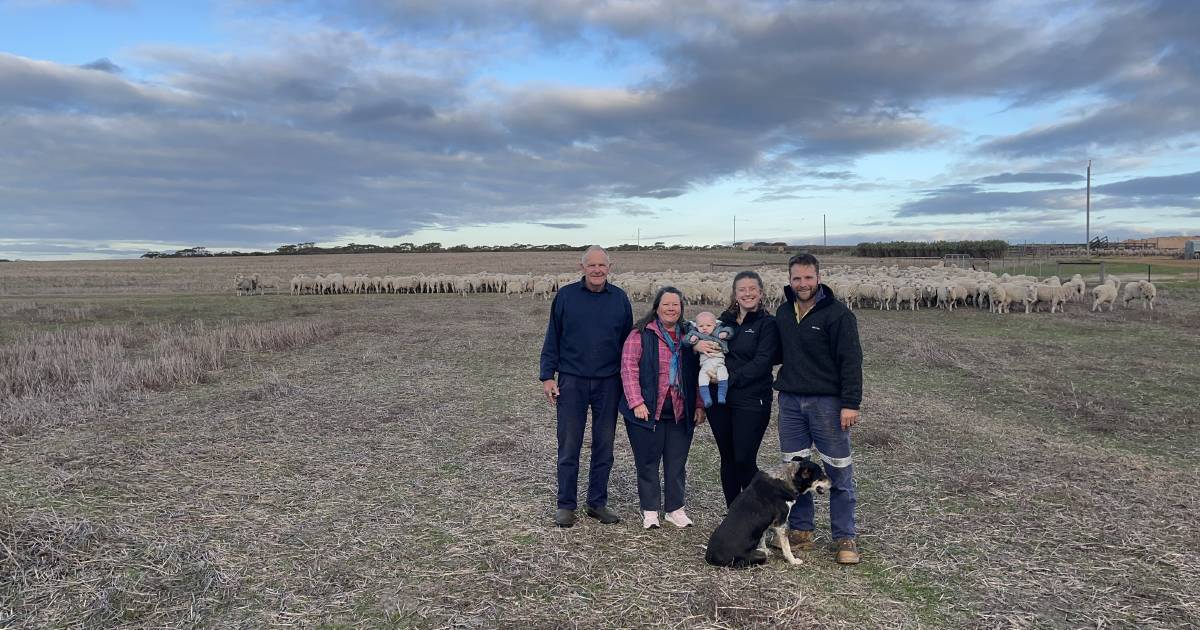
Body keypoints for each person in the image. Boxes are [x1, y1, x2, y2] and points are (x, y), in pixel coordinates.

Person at [773, 253, 863, 564]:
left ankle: (845, 536)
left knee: (838, 468)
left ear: (818, 278)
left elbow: (851, 361)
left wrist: (850, 403)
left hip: (827, 402)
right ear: (790, 280)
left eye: (808, 278)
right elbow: (771, 350)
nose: (802, 283)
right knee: (795, 469)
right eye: (797, 278)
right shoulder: (784, 312)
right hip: (791, 402)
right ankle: (801, 531)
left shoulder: (838, 315)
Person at [539, 246, 633, 528]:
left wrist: (630, 380)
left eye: (601, 265)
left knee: (604, 445)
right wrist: (547, 376)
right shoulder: (566, 296)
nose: (596, 270)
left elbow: (628, 344)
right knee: (569, 444)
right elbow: (552, 336)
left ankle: (597, 502)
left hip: (609, 382)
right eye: (591, 265)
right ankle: (566, 504)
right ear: (582, 267)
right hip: (572, 380)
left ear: (609, 267)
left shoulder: (619, 299)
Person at [617, 287, 706, 530]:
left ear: (681, 308)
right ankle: (650, 510)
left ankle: (675, 509)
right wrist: (636, 402)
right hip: (646, 410)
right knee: (647, 462)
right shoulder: (641, 333)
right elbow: (628, 368)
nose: (671, 309)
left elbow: (699, 372)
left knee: (676, 463)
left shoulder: (690, 336)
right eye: (666, 304)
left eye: (675, 305)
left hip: (680, 410)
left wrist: (699, 404)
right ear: (656, 307)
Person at [698, 271, 780, 508]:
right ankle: (734, 512)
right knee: (728, 458)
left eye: (752, 289)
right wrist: (698, 347)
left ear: (761, 293)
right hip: (720, 400)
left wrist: (729, 379)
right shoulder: (723, 322)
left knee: (744, 458)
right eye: (742, 290)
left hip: (752, 399)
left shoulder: (768, 324)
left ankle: (761, 509)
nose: (747, 294)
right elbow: (700, 342)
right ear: (735, 294)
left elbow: (762, 361)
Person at [683, 311, 734, 407]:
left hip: (719, 363)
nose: (704, 328)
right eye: (701, 326)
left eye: (708, 325)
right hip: (705, 365)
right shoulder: (695, 333)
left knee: (723, 374)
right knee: (702, 378)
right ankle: (706, 398)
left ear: (715, 325)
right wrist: (692, 340)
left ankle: (721, 395)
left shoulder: (719, 330)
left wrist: (725, 333)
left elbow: (730, 330)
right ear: (696, 326)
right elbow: (685, 340)